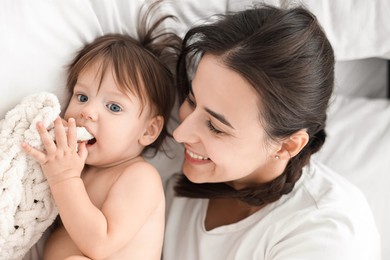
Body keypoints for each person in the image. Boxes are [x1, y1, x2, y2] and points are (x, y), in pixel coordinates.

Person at [162, 4, 381, 260]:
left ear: (286, 146)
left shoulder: (327, 235)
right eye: (191, 99)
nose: (180, 134)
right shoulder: (173, 173)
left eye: (215, 127)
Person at [21, 2, 181, 259]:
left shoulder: (139, 176)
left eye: (114, 107)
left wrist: (64, 178)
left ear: (149, 131)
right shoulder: (80, 168)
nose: (88, 112)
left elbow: (100, 244)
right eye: (82, 97)